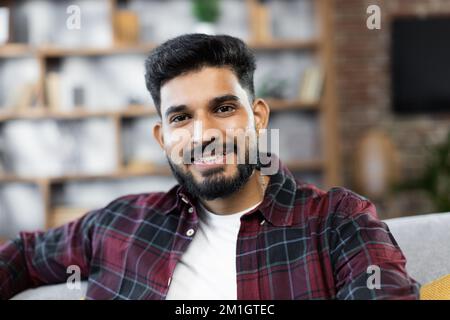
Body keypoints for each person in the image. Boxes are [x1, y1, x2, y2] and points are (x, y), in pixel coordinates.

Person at [0, 34, 419, 300]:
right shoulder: (118, 223)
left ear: (258, 117)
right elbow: (21, 256)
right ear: (163, 138)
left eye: (223, 108)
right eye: (181, 117)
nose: (204, 134)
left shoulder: (338, 221)